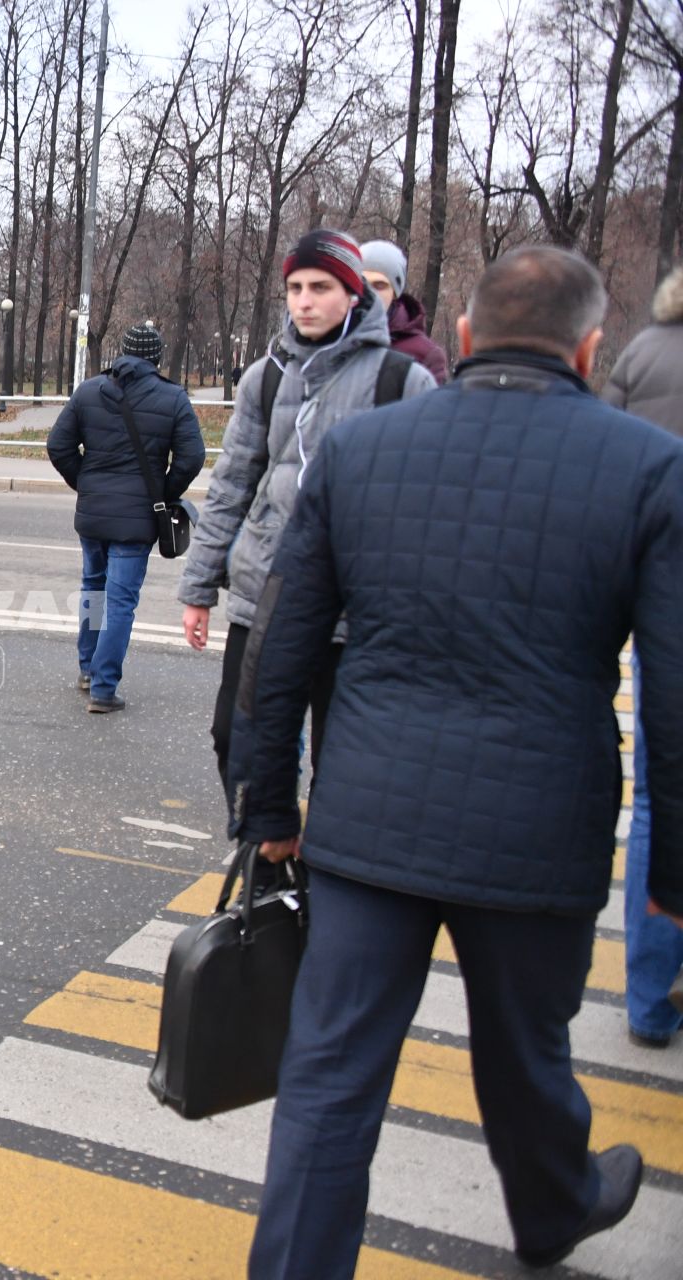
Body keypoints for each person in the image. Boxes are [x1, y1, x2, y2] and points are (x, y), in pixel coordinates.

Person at [228, 245, 683, 1276]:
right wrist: (675, 875)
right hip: (539, 830)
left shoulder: (363, 451)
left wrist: (267, 804)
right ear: (592, 347)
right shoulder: (650, 466)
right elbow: (675, 684)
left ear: (466, 336)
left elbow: (284, 643)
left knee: (331, 1075)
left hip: (368, 821)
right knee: (527, 1053)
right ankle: (556, 1208)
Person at [178, 229, 436, 801]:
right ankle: (270, 860)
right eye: (295, 287)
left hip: (357, 609)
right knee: (237, 740)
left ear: (352, 294)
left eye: (320, 287)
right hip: (264, 595)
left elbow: (424, 512)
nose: (304, 300)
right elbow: (230, 490)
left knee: (343, 760)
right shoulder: (265, 379)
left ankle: (323, 873)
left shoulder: (403, 382)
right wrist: (199, 588)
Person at [603, 262, 683, 1048]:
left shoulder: (646, 352)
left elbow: (605, 470)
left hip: (662, 596)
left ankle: (650, 998)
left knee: (660, 796)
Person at [47, 321, 205, 712]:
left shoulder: (89, 391)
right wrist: (162, 493)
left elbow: (58, 445)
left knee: (93, 588)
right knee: (120, 601)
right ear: (155, 358)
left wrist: (84, 482)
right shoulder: (172, 398)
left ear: (122, 352)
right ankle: (103, 688)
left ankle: (87, 669)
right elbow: (193, 457)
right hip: (136, 518)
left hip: (94, 513)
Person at [359, 239, 451, 383]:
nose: (369, 294)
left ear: (395, 292)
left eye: (379, 286)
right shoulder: (335, 341)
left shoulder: (425, 355)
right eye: (362, 284)